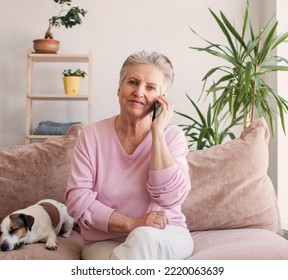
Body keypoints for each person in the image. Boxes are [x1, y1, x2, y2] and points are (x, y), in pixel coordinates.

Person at [65, 50, 194, 260]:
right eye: (132, 82)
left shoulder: (172, 136)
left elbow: (170, 198)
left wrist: (157, 133)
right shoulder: (91, 135)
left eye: (150, 87)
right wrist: (132, 223)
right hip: (105, 240)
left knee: (143, 239)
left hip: (164, 235)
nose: (139, 91)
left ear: (161, 100)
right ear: (119, 89)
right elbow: (78, 200)